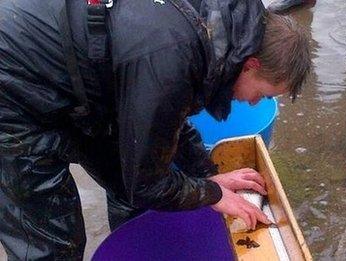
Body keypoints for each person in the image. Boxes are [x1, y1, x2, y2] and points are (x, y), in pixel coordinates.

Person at [0, 0, 311, 259]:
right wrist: (213, 194)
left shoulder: (216, 32)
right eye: (265, 94)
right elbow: (146, 183)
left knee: (129, 184)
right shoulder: (173, 56)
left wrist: (205, 173)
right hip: (14, 87)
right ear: (251, 65)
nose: (258, 104)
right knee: (52, 241)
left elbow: (168, 120)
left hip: (78, 72)